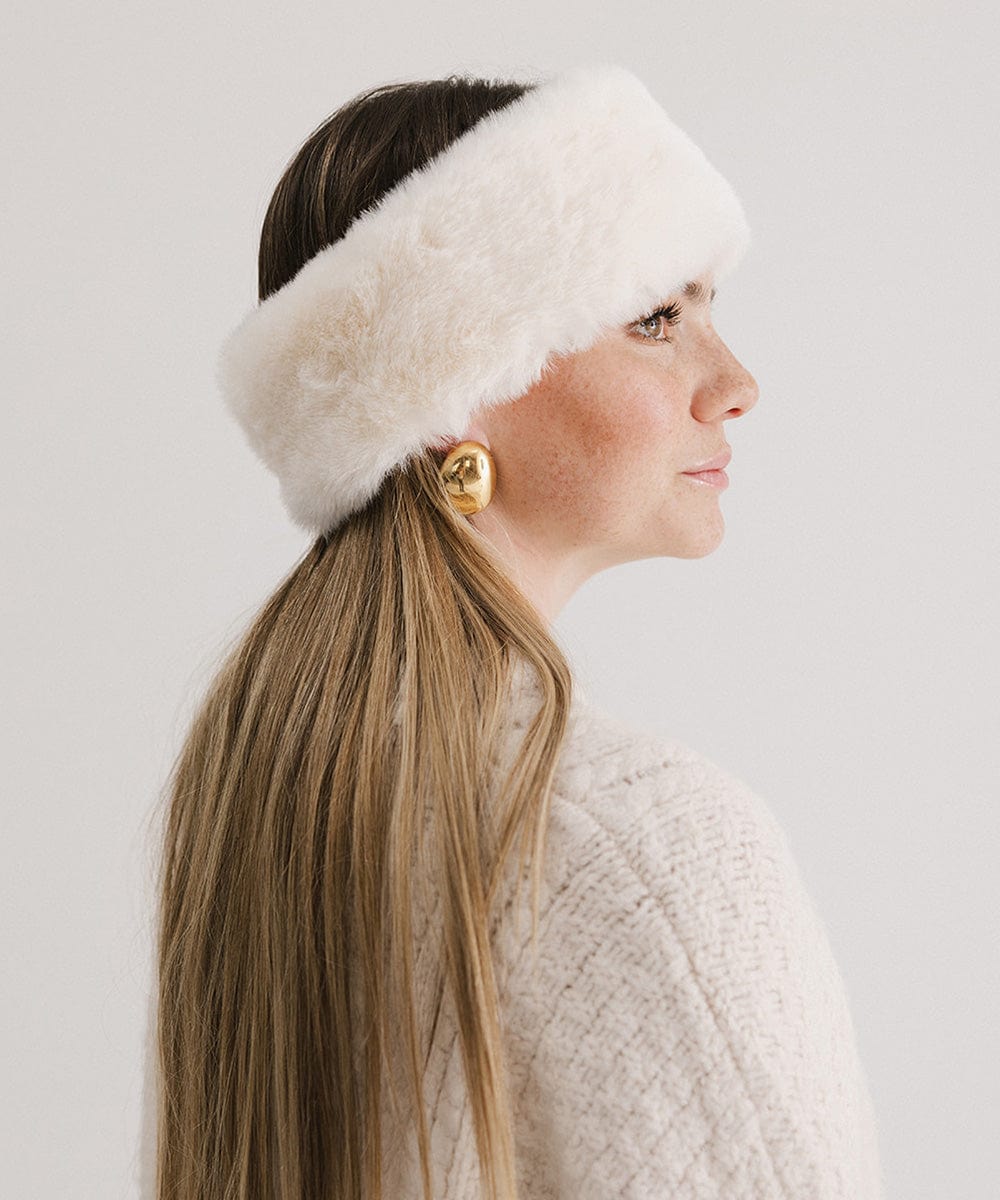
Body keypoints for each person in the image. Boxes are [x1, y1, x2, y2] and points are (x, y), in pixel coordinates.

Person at [139, 63, 885, 1199]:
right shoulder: (633, 840)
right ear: (459, 386)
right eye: (655, 319)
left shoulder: (273, 774)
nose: (732, 383)